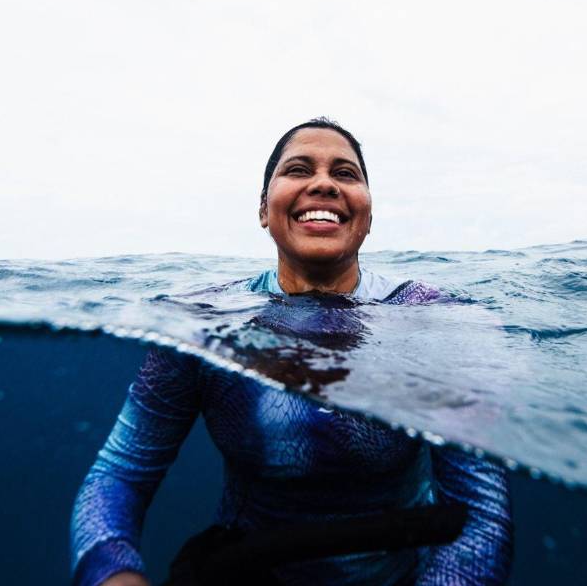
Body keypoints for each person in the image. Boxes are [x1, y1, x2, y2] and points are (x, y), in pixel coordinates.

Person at [70, 118, 513, 586]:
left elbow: (483, 512)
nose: (323, 183)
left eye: (345, 173)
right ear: (264, 209)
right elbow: (120, 474)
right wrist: (112, 574)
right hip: (247, 572)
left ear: (368, 213)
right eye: (299, 169)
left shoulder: (434, 322)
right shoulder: (201, 321)